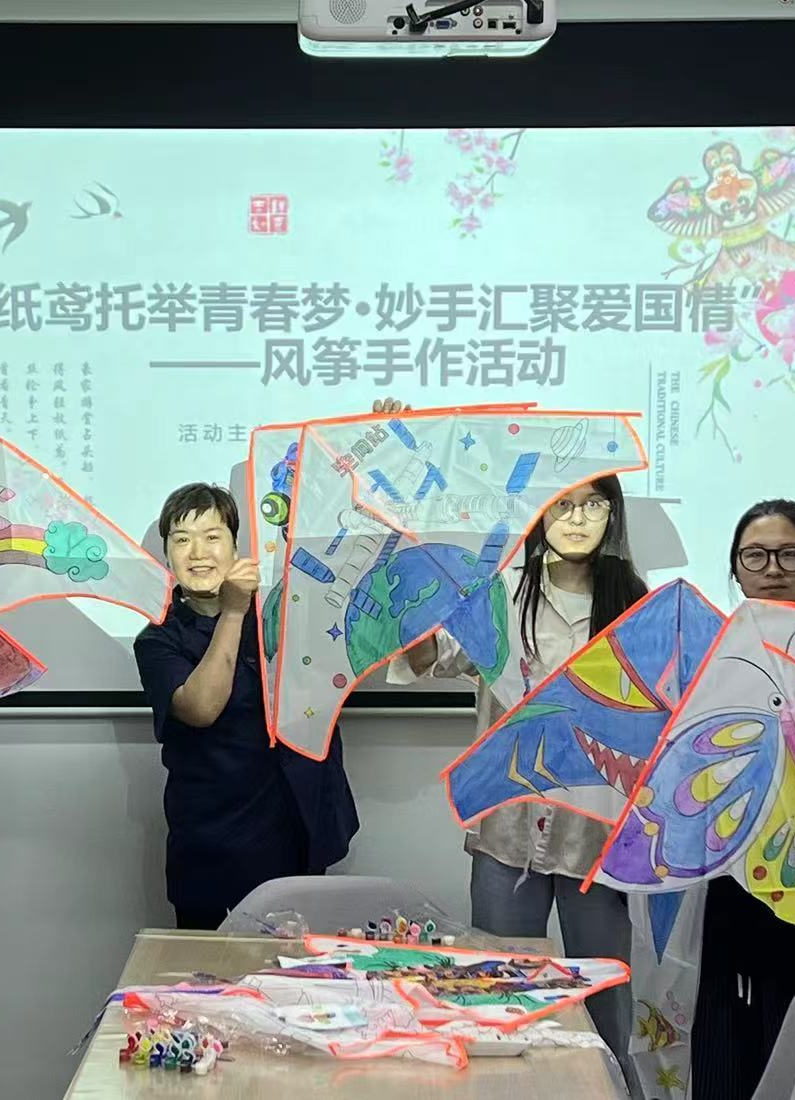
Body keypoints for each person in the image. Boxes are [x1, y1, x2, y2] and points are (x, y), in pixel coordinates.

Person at [391, 398, 648, 1086]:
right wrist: (412, 590)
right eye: (562, 505)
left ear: (613, 515)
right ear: (538, 515)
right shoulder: (499, 594)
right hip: (508, 828)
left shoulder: (635, 601)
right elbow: (428, 657)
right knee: (500, 997)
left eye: (593, 504)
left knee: (605, 1000)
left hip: (599, 836)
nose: (577, 518)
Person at [133, 482, 359, 928]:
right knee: (210, 969)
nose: (198, 552)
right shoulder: (158, 639)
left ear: (236, 547)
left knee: (295, 965)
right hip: (213, 840)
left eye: (212, 537)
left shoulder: (283, 614)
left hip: (295, 827)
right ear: (167, 555)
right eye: (182, 539)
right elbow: (201, 709)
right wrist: (234, 612)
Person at [693, 499, 795, 1098]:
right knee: (723, 1042)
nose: (773, 569)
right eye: (755, 556)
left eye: (789, 555)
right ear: (735, 569)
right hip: (728, 875)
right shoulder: (707, 656)